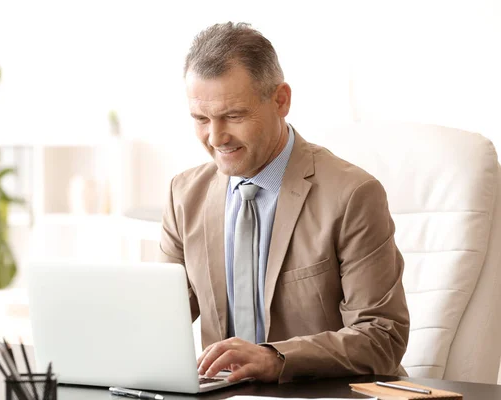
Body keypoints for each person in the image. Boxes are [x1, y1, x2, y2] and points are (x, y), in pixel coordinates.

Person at [159, 22, 410, 384]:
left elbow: (382, 336)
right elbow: (160, 320)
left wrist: (276, 359)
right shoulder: (184, 195)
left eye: (233, 115)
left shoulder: (353, 195)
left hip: (324, 394)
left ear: (281, 100)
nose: (215, 137)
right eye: (201, 119)